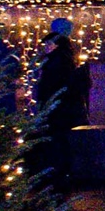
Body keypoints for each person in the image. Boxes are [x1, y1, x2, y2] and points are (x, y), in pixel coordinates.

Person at [30, 20, 89, 193]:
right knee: (60, 142)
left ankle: (57, 177)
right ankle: (60, 175)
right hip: (61, 110)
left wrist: (46, 102)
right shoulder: (65, 58)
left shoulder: (57, 61)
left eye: (49, 43)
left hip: (57, 110)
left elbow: (52, 85)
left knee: (56, 142)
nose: (46, 46)